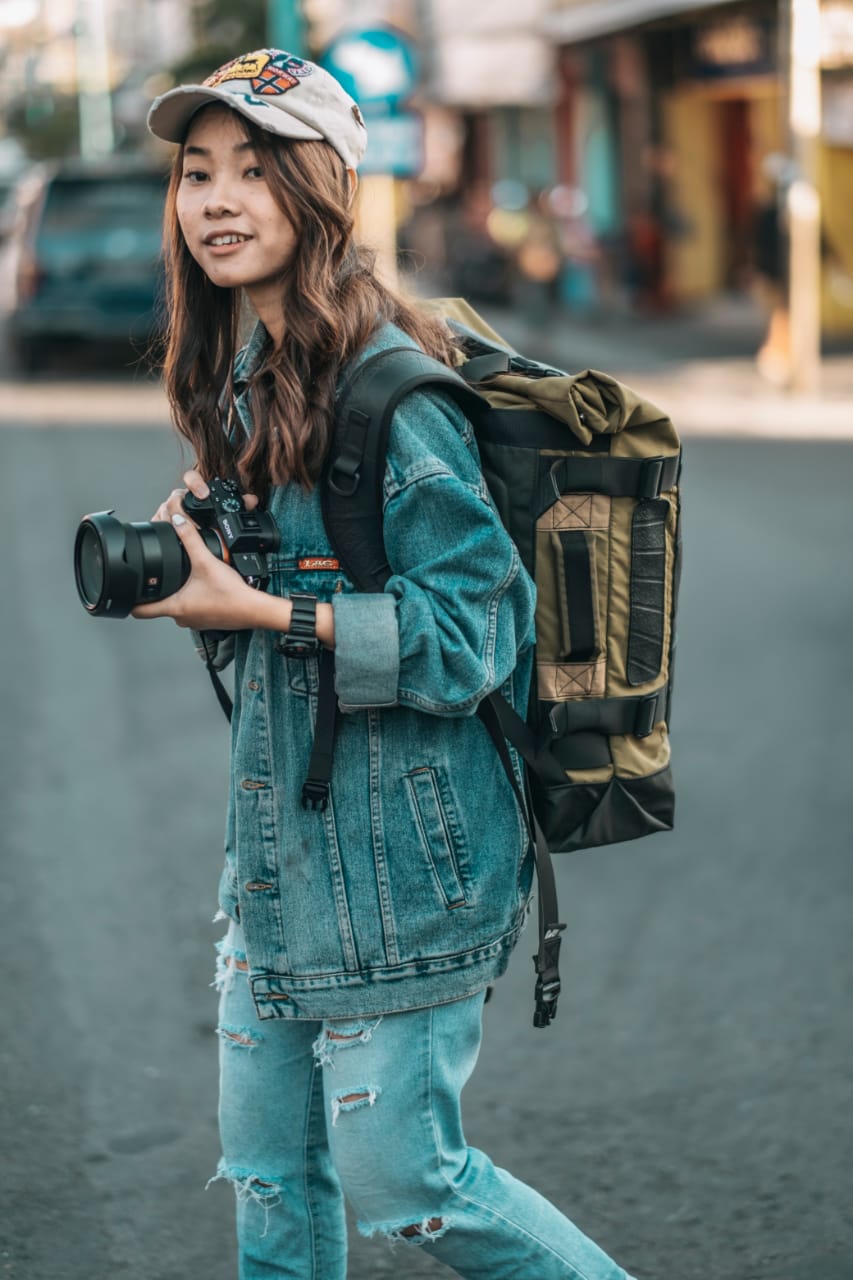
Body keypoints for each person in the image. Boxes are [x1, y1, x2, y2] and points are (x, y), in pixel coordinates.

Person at [138, 48, 638, 1280]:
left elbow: (476, 632)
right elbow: (292, 606)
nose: (216, 200)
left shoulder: (388, 397)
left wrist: (263, 610)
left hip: (404, 861)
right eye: (198, 172)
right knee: (271, 1182)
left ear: (322, 190)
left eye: (255, 171)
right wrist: (209, 583)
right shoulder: (253, 383)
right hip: (277, 849)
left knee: (413, 1184)